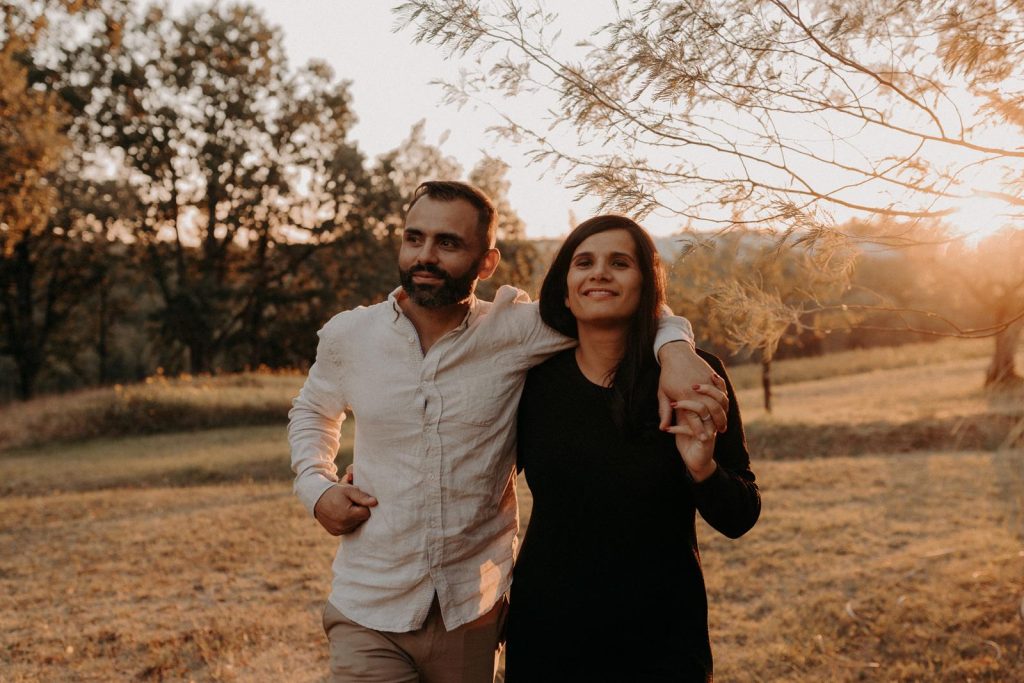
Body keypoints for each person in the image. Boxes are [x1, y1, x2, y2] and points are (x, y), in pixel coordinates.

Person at [287, 181, 729, 682]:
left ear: (487, 262)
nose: (425, 256)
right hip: (368, 606)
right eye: (414, 239)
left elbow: (619, 305)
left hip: (471, 611)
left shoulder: (517, 329)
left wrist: (674, 347)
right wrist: (316, 487)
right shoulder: (350, 335)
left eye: (448, 243)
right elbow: (312, 411)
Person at [504, 215, 761, 682]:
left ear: (647, 287)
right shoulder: (532, 383)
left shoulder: (695, 377)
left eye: (619, 263)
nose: (599, 273)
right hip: (548, 636)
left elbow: (740, 516)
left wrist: (703, 471)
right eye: (585, 262)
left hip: (662, 641)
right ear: (565, 288)